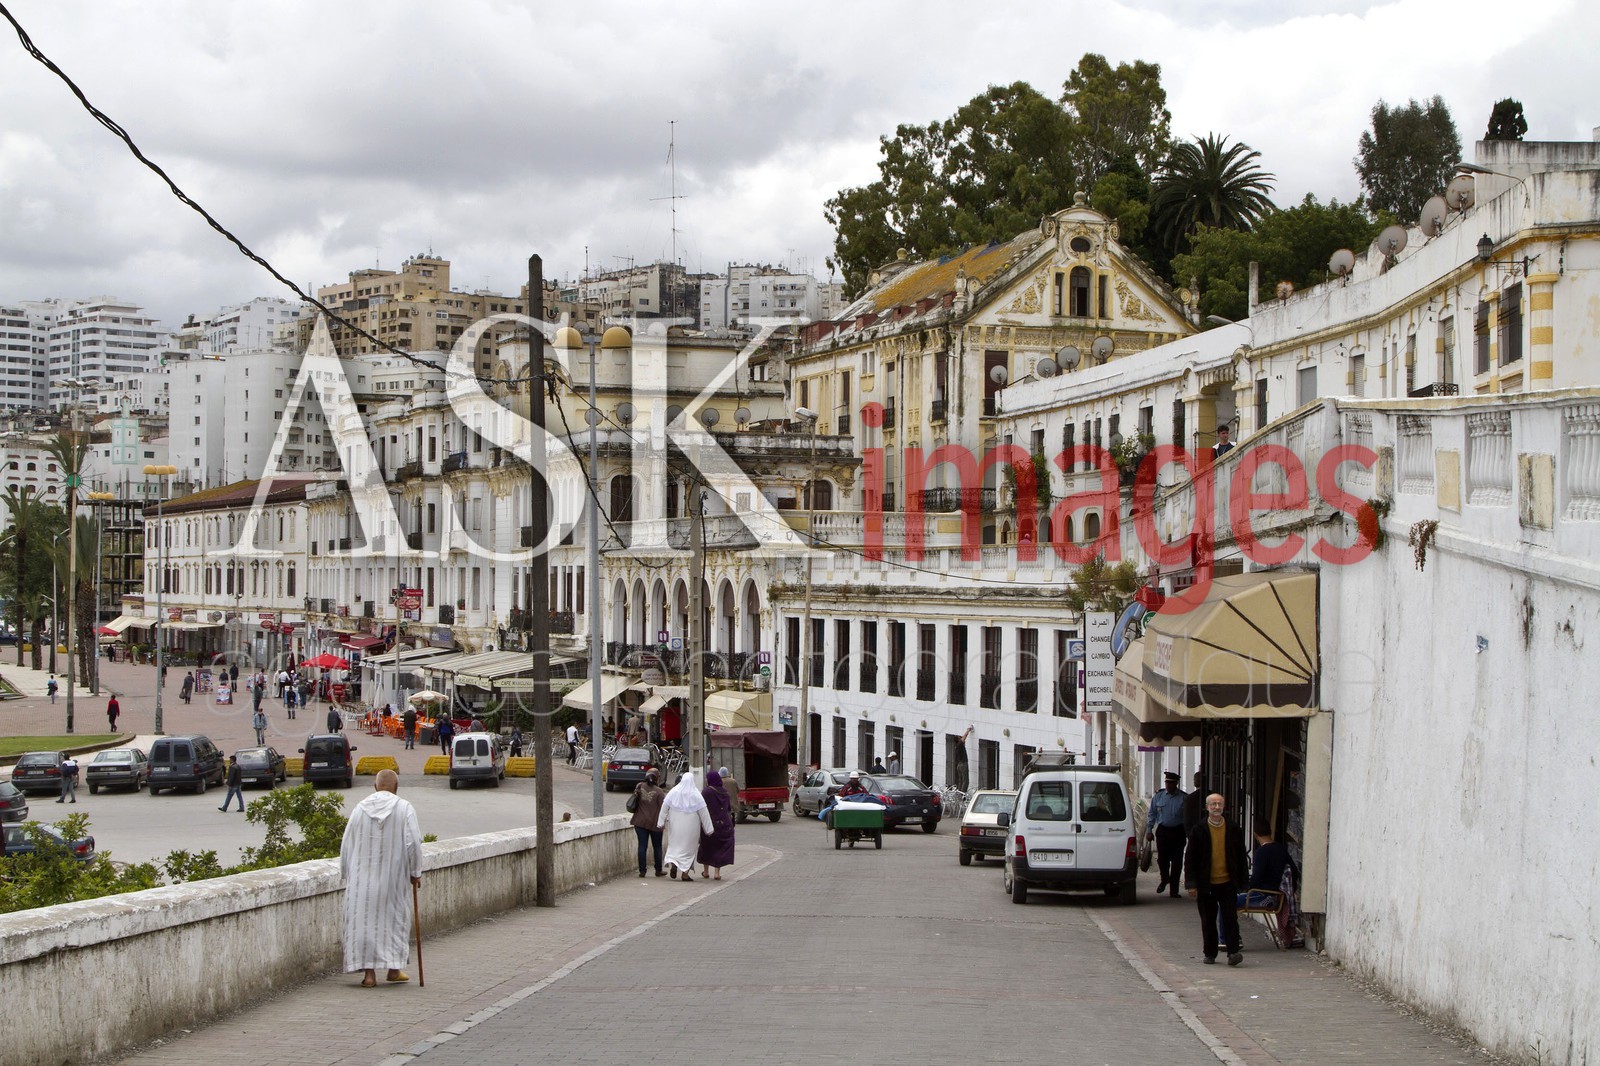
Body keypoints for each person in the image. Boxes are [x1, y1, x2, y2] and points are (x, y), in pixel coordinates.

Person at [339, 769, 423, 988]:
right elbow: (414, 842)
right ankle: (394, 969)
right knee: (394, 921)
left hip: (362, 880)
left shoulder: (360, 808)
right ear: (396, 788)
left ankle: (369, 975)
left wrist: (346, 873)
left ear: (375, 787)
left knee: (365, 924)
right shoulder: (404, 808)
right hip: (393, 879)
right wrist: (415, 872)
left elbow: (347, 842)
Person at [1185, 793, 1250, 966]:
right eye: (1213, 804)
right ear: (1207, 807)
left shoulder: (1233, 828)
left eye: (1219, 804)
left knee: (1230, 918)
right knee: (1208, 920)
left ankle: (1233, 952)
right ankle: (1210, 953)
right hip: (1206, 884)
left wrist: (1243, 881)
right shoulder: (1199, 830)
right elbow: (1190, 858)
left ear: (1223, 806)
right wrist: (1191, 883)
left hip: (1227, 883)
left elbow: (1241, 856)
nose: (1216, 807)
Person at [657, 771, 712, 881]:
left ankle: (674, 864)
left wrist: (660, 822)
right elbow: (704, 813)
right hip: (691, 828)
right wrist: (709, 829)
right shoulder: (696, 794)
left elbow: (664, 807)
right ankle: (685, 874)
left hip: (675, 825)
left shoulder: (673, 792)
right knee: (688, 850)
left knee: (675, 846)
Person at [1239, 817, 1297, 910]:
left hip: (1264, 896)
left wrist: (1246, 887)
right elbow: (1294, 871)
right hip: (1279, 896)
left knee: (1227, 902)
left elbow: (1256, 878)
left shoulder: (1261, 852)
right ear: (1270, 831)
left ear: (1255, 835)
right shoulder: (1281, 849)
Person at [1147, 771, 1188, 898]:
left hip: (1178, 832)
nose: (1168, 785)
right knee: (1162, 860)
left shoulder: (1183, 798)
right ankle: (1164, 879)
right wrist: (1149, 830)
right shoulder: (1158, 796)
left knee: (1177, 862)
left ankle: (1174, 890)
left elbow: (1188, 817)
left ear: (1176, 784)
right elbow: (1152, 814)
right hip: (1163, 832)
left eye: (1171, 783)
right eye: (1167, 783)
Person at [698, 770, 736, 881]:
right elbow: (728, 809)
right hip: (724, 824)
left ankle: (706, 872)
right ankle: (717, 873)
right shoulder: (725, 792)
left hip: (709, 824)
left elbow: (701, 807)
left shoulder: (706, 792)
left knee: (706, 846)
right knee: (719, 848)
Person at [630, 769, 667, 878]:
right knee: (657, 847)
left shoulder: (639, 786)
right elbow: (663, 808)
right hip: (655, 823)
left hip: (639, 822)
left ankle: (642, 871)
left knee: (642, 846)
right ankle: (658, 870)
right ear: (656, 778)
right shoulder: (659, 792)